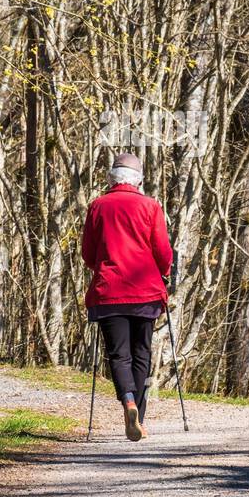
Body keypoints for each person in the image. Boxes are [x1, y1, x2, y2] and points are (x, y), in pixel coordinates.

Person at [80, 153, 174, 441]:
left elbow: (88, 252)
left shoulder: (98, 206)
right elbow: (163, 252)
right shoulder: (150, 206)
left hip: (110, 291)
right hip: (145, 292)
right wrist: (164, 273)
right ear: (139, 180)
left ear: (111, 178)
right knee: (141, 354)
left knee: (118, 355)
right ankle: (139, 420)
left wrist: (106, 267)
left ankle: (129, 402)